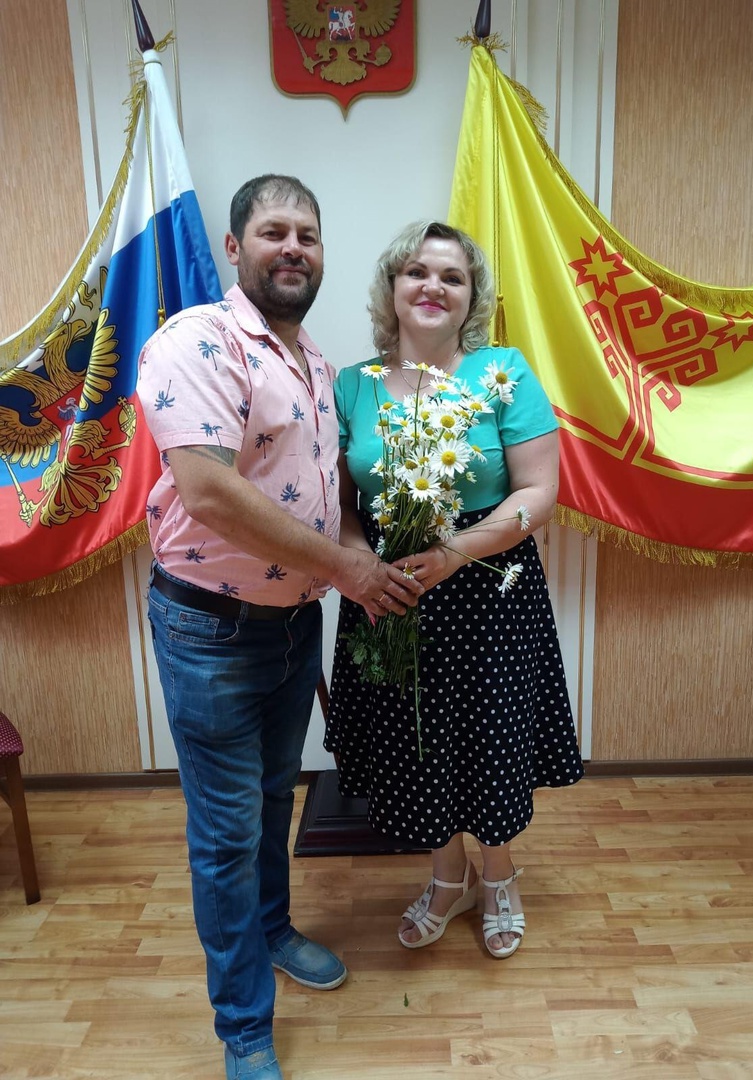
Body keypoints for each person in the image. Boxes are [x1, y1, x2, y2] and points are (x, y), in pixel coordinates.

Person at [137, 175, 422, 1080]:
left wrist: (359, 561)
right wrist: (347, 569)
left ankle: (272, 929)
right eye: (273, 231)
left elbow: (329, 493)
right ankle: (244, 1029)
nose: (293, 246)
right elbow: (210, 493)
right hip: (211, 632)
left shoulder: (317, 364)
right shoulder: (197, 341)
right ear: (235, 248)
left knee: (271, 801)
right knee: (226, 832)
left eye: (308, 233)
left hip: (294, 627)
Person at [324, 220, 584, 960]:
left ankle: (498, 875)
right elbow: (341, 503)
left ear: (473, 297)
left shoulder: (503, 371)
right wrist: (359, 566)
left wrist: (451, 552)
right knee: (416, 741)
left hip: (486, 591)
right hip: (388, 590)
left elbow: (538, 493)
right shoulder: (352, 384)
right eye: (417, 272)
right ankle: (448, 877)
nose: (433, 286)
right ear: (392, 288)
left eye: (452, 276)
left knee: (490, 737)